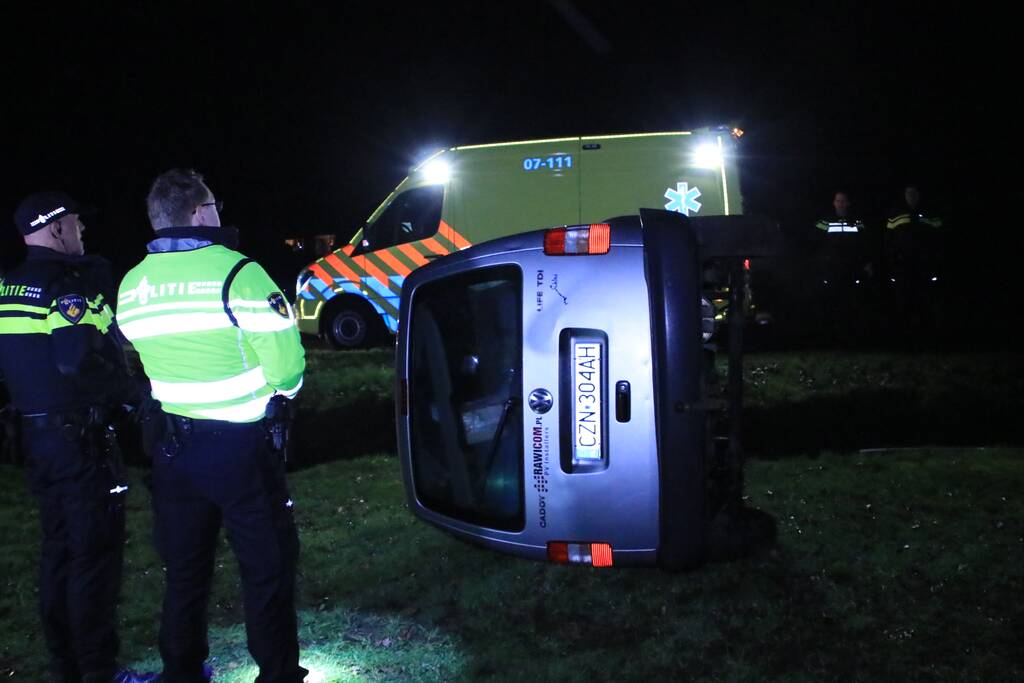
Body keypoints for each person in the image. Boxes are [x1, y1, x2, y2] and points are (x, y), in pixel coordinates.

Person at [116, 169, 307, 683]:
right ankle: (278, 674)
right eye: (214, 205)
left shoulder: (132, 283)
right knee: (266, 568)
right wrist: (283, 394)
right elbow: (286, 367)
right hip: (240, 448)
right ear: (201, 213)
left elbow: (141, 353)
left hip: (172, 450)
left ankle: (180, 672)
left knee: (184, 571)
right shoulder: (239, 272)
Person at [0, 192, 152, 683]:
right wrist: (138, 396)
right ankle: (100, 672)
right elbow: (78, 360)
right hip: (78, 442)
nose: (82, 228)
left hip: (35, 440)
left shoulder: (9, 285)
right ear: (55, 228)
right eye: (75, 221)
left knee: (59, 552)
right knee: (94, 558)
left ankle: (66, 668)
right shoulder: (67, 286)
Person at [811, 190, 876, 344]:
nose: (840, 204)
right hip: (832, 270)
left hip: (852, 270)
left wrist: (868, 264)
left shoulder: (857, 222)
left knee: (852, 303)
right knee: (832, 303)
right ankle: (833, 339)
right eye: (838, 201)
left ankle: (852, 338)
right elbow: (814, 244)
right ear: (834, 203)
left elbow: (865, 244)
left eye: (843, 201)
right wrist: (820, 264)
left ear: (848, 203)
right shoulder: (825, 222)